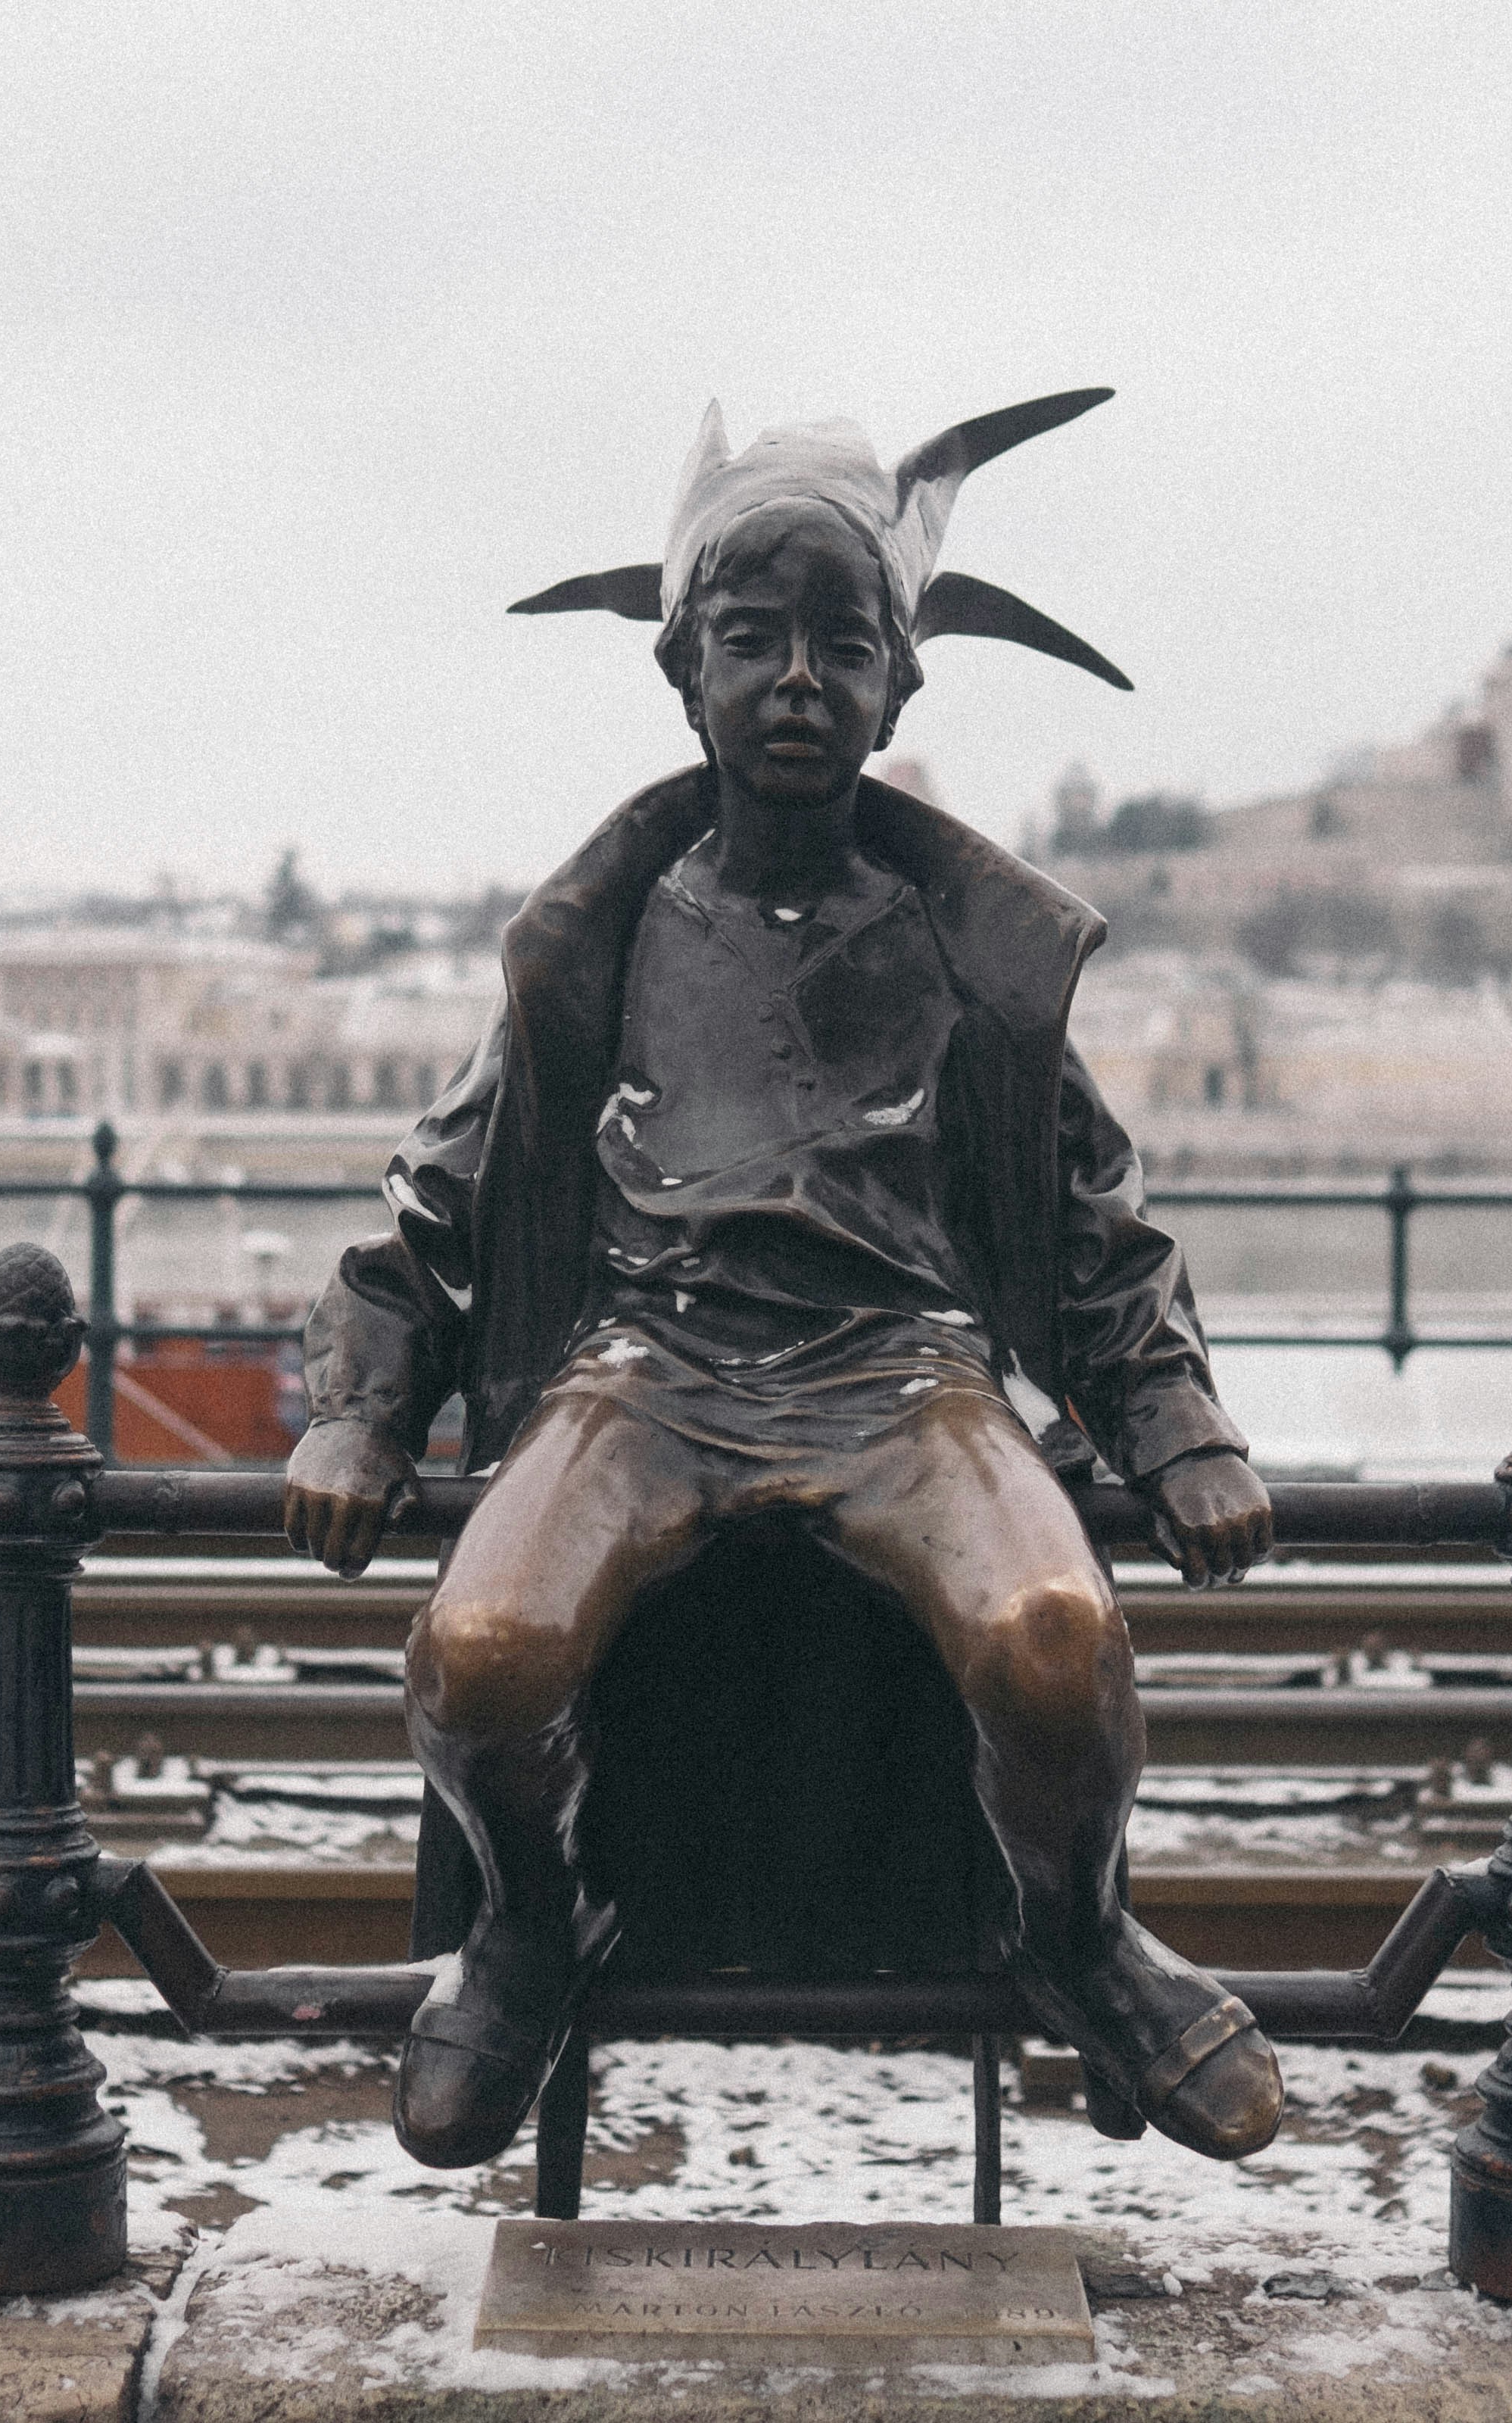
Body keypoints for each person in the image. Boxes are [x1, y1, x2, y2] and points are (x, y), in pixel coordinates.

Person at [282, 391, 1282, 2169]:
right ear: (686, 673)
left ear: (903, 688)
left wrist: (1174, 1420)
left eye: (845, 644)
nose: (801, 680)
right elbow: (438, 1201)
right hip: (642, 1370)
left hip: (907, 1378)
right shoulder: (604, 939)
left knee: (1058, 1649)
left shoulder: (968, 955)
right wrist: (367, 1411)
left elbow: (1091, 1221)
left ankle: (1080, 1936)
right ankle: (530, 1928)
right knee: (483, 1650)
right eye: (755, 640)